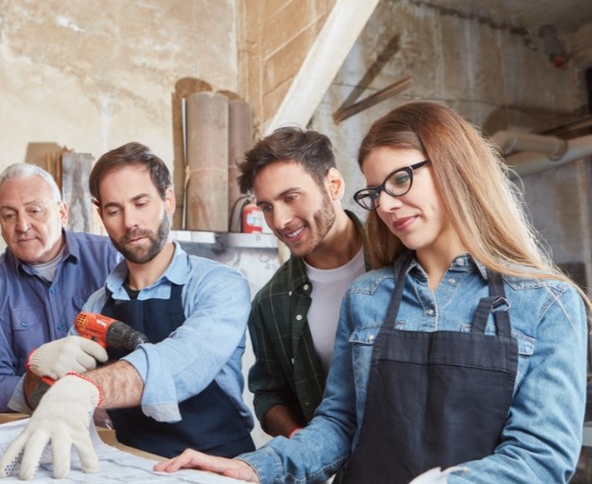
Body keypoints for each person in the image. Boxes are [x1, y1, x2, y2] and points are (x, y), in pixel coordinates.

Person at [155, 101, 590, 483]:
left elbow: (540, 459)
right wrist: (254, 467)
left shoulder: (547, 302)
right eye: (377, 193)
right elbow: (340, 424)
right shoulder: (367, 296)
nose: (384, 205)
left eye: (400, 181)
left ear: (455, 165)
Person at [0, 142, 255, 480]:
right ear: (100, 214)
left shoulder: (219, 284)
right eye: (114, 210)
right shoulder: (97, 306)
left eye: (141, 203)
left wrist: (86, 388)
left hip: (219, 467)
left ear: (168, 200)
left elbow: (184, 361)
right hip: (133, 465)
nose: (130, 222)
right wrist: (38, 372)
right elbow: (47, 398)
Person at [237, 127, 367, 439]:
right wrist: (302, 440)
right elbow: (269, 394)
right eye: (267, 207)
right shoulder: (271, 301)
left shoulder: (399, 258)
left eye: (291, 197)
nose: (279, 221)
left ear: (333, 184)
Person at [0, 163, 119, 412]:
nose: (22, 226)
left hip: (115, 414)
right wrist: (50, 394)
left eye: (34, 211)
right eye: (9, 215)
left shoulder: (112, 259)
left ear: (62, 212)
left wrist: (98, 394)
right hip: (34, 421)